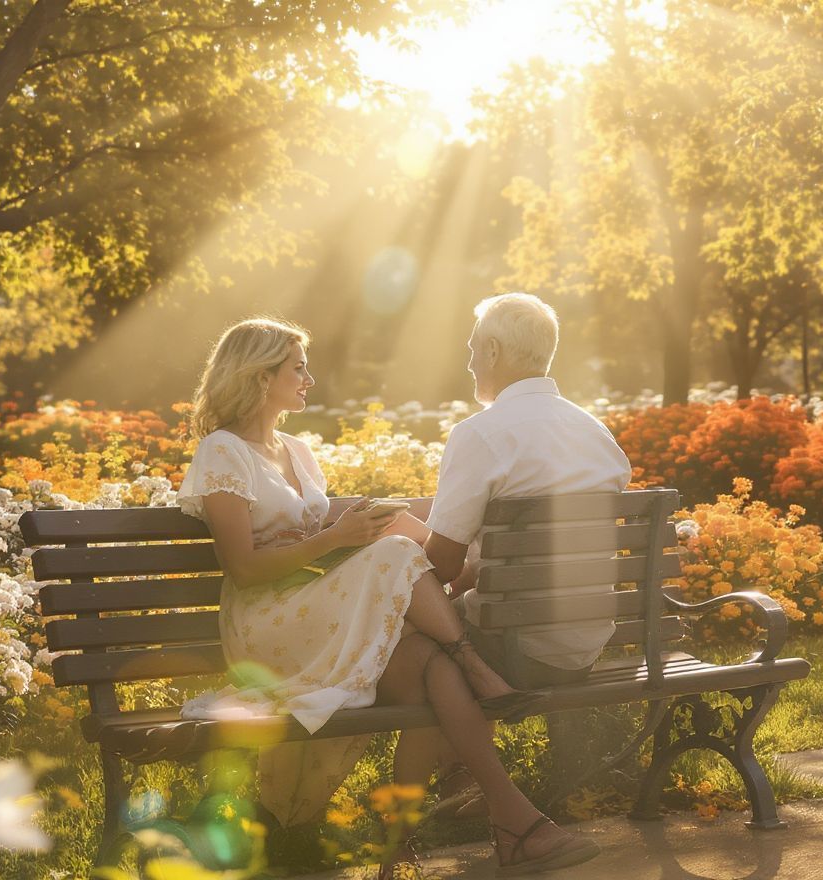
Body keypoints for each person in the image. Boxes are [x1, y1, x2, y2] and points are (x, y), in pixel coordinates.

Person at [177, 317, 601, 878]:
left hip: (314, 606)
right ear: (259, 377)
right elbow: (244, 568)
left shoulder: (298, 452)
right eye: (298, 368)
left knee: (429, 669)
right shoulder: (222, 452)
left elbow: (312, 538)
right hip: (266, 622)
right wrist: (334, 540)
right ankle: (471, 658)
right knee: (401, 558)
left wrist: (356, 528)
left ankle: (441, 836)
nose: (310, 378)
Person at [417, 291, 633, 820]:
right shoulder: (595, 432)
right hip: (586, 641)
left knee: (415, 641)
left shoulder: (480, 435)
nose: (468, 361)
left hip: (519, 648)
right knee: (459, 610)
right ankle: (467, 782)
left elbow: (439, 565)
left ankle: (459, 784)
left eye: (472, 349)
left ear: (492, 350)